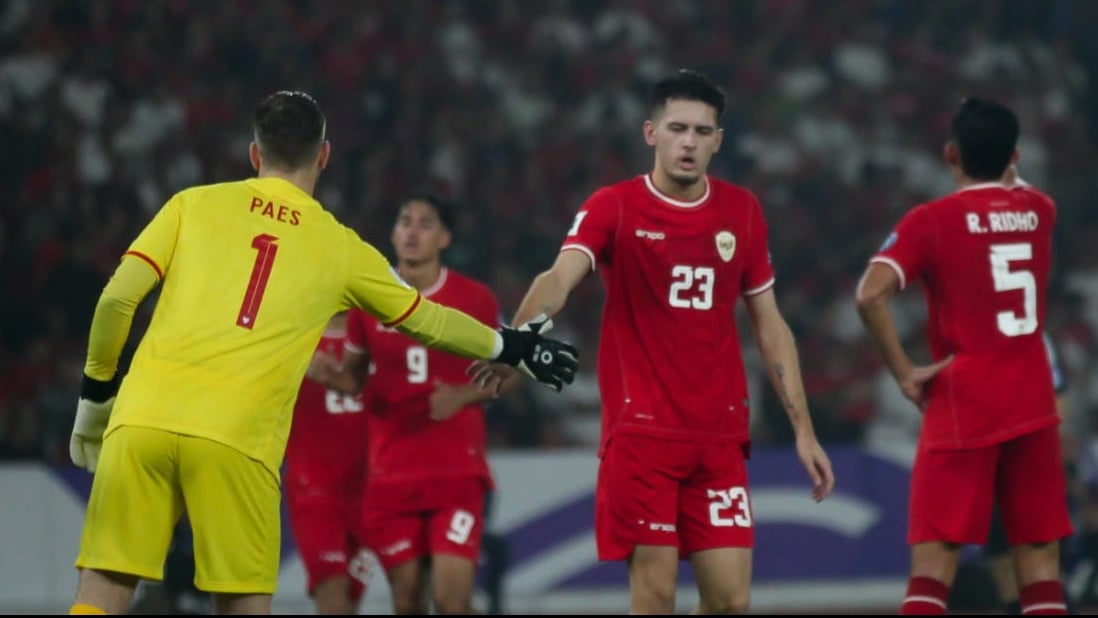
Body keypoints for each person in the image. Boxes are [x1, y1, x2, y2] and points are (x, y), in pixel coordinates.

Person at [65, 90, 578, 616]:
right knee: (240, 603)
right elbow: (427, 320)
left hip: (142, 421)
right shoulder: (341, 248)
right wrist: (510, 344)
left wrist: (96, 398)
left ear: (254, 155)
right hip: (237, 440)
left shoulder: (190, 205)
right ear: (324, 155)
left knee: (102, 591)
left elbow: (116, 299)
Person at [471, 68, 836, 614]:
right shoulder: (613, 206)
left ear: (719, 141)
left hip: (718, 438)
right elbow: (559, 277)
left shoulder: (742, 211)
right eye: (677, 128)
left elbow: (771, 325)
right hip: (643, 438)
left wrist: (803, 431)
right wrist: (517, 342)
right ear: (651, 133)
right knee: (655, 593)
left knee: (732, 601)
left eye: (701, 131)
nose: (688, 142)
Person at [854, 97, 1073, 615]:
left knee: (935, 563)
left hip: (964, 399)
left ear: (950, 153)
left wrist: (904, 372)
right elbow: (1016, 188)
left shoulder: (931, 220)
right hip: (1034, 402)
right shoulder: (1040, 210)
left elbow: (869, 294)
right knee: (1040, 564)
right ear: (1015, 154)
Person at [309, 193, 515, 614]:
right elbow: (353, 378)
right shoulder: (370, 301)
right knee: (406, 601)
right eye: (405, 222)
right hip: (390, 477)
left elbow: (513, 370)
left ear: (444, 237)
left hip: (456, 473)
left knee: (450, 601)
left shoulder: (474, 298)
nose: (412, 231)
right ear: (393, 233)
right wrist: (327, 374)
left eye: (425, 224)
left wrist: (464, 394)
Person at [284, 312, 375, 614]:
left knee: (351, 601)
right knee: (333, 596)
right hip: (314, 490)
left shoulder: (377, 334)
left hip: (370, 493)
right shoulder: (294, 337)